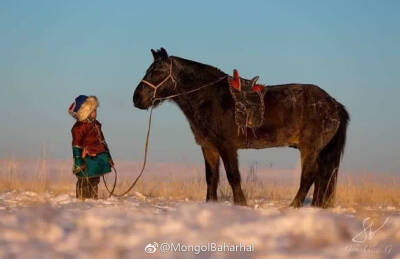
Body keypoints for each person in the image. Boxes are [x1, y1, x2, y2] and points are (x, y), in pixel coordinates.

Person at [68, 95, 113, 199]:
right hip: (86, 160)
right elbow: (76, 145)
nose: (95, 112)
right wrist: (78, 163)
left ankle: (93, 200)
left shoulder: (96, 125)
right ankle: (82, 201)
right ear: (85, 111)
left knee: (94, 180)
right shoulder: (79, 127)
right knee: (84, 181)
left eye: (95, 110)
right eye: (93, 110)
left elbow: (102, 142)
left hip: (97, 160)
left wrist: (108, 157)